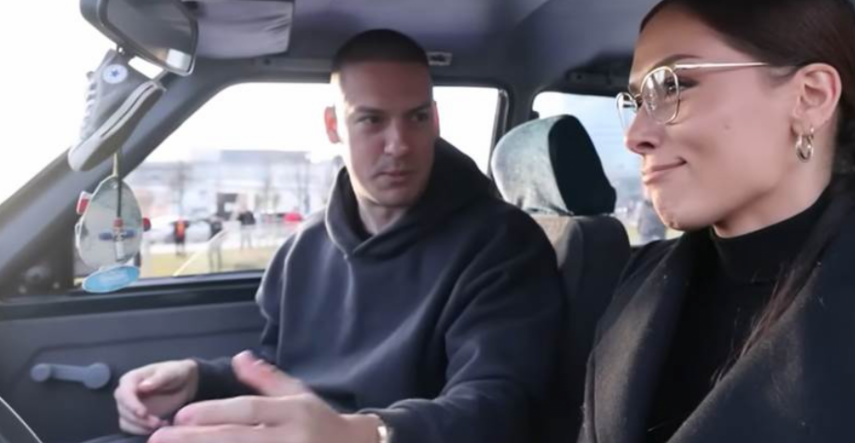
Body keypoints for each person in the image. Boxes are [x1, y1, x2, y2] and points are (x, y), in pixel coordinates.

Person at [89, 29, 563, 443]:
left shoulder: (502, 245)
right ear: (334, 126)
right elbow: (277, 369)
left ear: (436, 120)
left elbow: (499, 406)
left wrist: (368, 434)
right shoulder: (303, 248)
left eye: (417, 118)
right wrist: (198, 379)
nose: (399, 144)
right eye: (371, 119)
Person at [579, 0, 855, 443]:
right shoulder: (638, 278)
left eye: (674, 86)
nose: (635, 135)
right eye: (638, 100)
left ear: (810, 97)